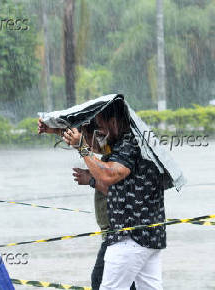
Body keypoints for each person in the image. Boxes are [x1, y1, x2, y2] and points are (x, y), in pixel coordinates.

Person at [72, 99, 166, 290]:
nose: (98, 130)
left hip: (129, 237)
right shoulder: (132, 141)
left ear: (113, 122)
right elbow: (98, 148)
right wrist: (60, 132)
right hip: (149, 236)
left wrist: (82, 148)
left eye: (100, 124)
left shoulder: (129, 144)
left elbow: (108, 175)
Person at [38, 118, 137, 290]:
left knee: (99, 281)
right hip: (116, 232)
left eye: (88, 133)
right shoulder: (110, 147)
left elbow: (118, 192)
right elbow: (93, 146)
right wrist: (54, 131)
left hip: (121, 233)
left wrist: (91, 180)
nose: (95, 141)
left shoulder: (122, 153)